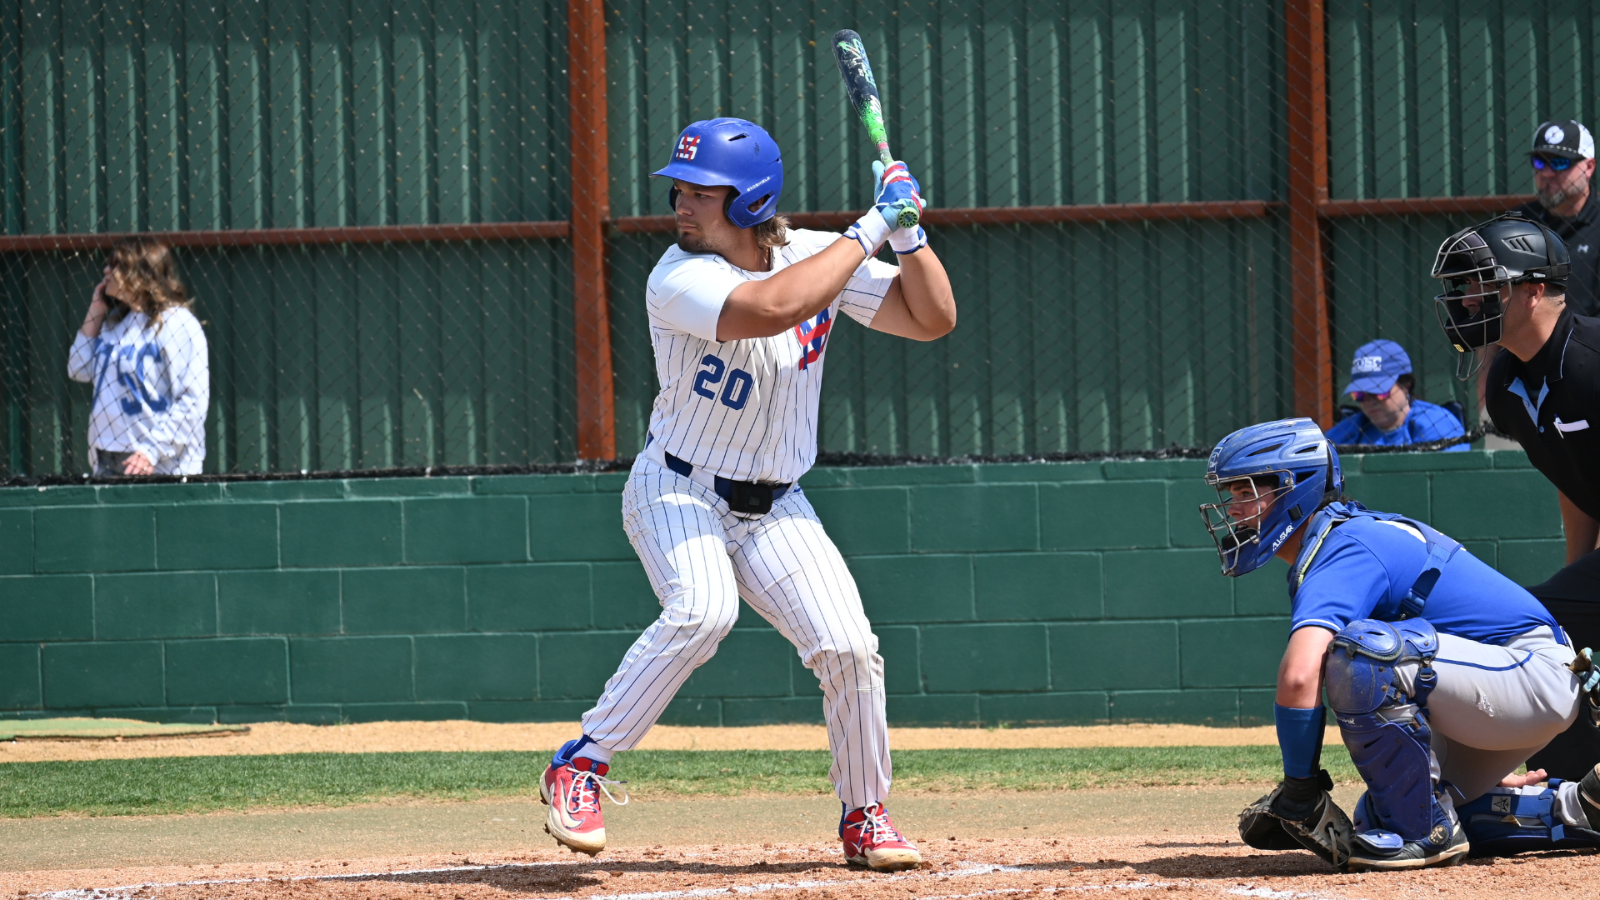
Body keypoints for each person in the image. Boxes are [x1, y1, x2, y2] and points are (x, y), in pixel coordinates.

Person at [539, 118, 955, 870]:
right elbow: (772, 307)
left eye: (703, 191)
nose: (682, 203)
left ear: (752, 198)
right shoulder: (677, 276)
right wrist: (868, 227)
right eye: (680, 188)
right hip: (677, 488)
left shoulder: (816, 256)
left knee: (851, 647)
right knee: (703, 611)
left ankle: (865, 814)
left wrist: (909, 235)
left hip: (776, 504)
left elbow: (932, 319)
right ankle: (581, 764)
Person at [1205, 418, 1600, 871]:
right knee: (1386, 812)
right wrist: (1479, 757)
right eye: (1232, 494)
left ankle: (1425, 836)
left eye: (1246, 491)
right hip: (1501, 688)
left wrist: (1300, 790)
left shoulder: (1343, 546)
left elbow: (1299, 675)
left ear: (1296, 488)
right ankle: (1577, 807)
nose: (1233, 509)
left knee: (1361, 655)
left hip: (1532, 673)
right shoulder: (1338, 539)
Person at [1432, 211, 1600, 781]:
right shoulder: (1506, 386)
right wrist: (1579, 575)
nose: (1469, 300)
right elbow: (1575, 480)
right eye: (1465, 287)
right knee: (1535, 625)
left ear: (1532, 290)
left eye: (1485, 284)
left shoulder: (1591, 362)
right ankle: (1568, 782)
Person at [66, 237, 209, 476]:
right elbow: (78, 368)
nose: (106, 271)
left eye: (115, 265)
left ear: (140, 273)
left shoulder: (178, 324)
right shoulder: (115, 323)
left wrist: (151, 451)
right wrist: (96, 310)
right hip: (107, 457)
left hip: (160, 463)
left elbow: (193, 401)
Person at [1512, 120, 1600, 317]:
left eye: (1560, 162)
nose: (1547, 173)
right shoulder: (1517, 225)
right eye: (1540, 161)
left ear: (1589, 167)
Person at [1325, 339, 1466, 450]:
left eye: (1379, 392)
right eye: (1360, 395)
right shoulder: (1347, 432)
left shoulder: (1438, 425)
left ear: (1406, 386)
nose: (1369, 401)